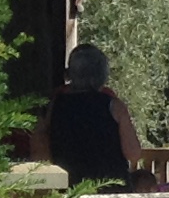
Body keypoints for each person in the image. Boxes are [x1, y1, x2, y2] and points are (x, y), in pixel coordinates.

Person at [38, 43, 142, 189]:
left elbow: (40, 146)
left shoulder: (54, 106)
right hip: (110, 191)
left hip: (69, 190)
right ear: (102, 74)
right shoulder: (114, 107)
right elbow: (133, 153)